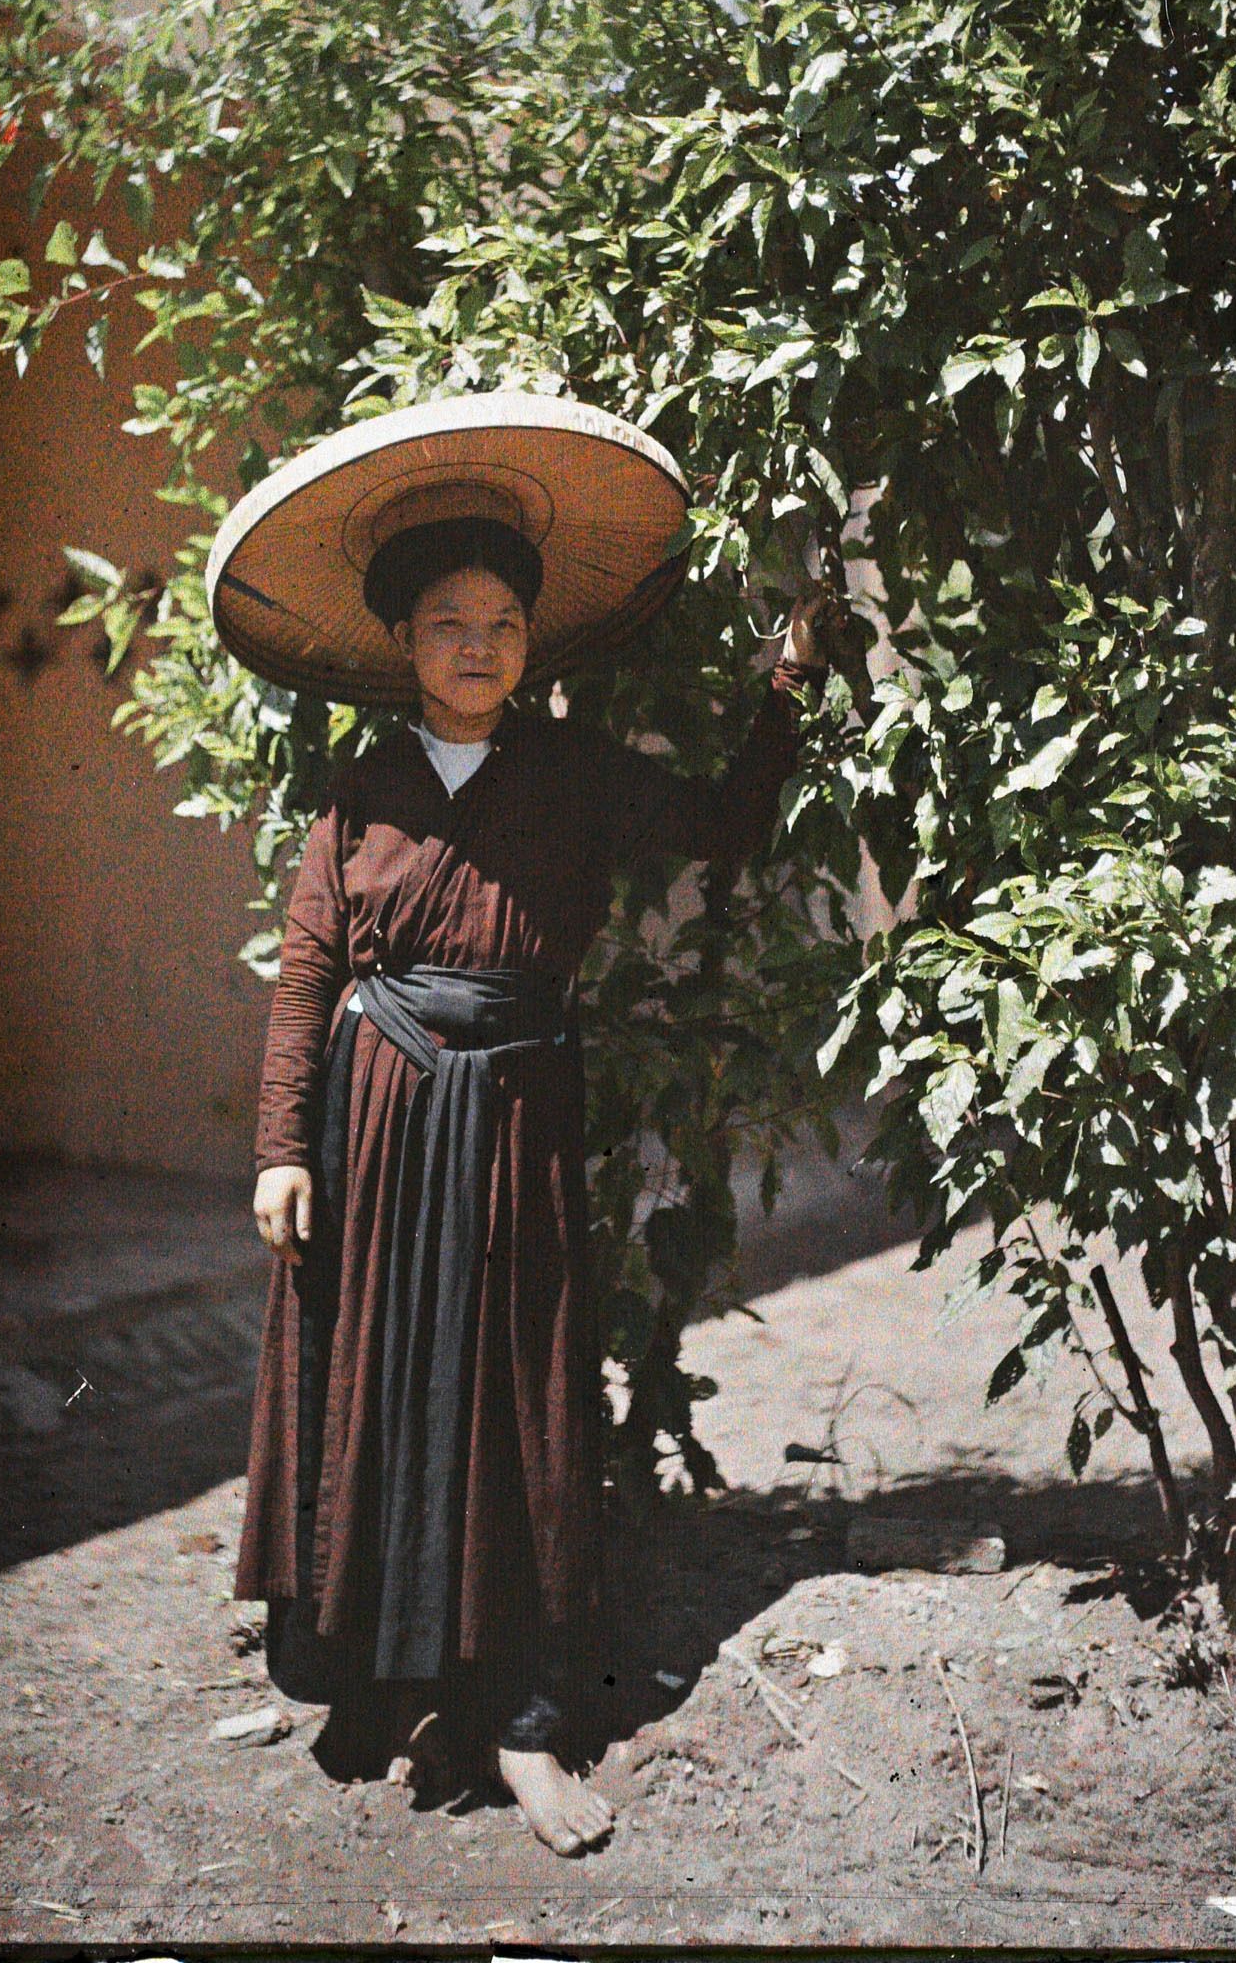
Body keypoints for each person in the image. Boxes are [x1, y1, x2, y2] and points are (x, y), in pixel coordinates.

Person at [233, 504, 834, 1856]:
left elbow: (727, 823)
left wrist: (790, 681)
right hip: (378, 1120)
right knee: (382, 1383)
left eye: (503, 624)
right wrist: (282, 1148)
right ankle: (392, 1685)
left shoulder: (572, 770)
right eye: (450, 621)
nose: (478, 645)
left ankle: (526, 1724)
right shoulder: (358, 788)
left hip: (515, 1118)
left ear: (529, 645)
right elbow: (308, 975)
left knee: (521, 1396)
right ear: (402, 639)